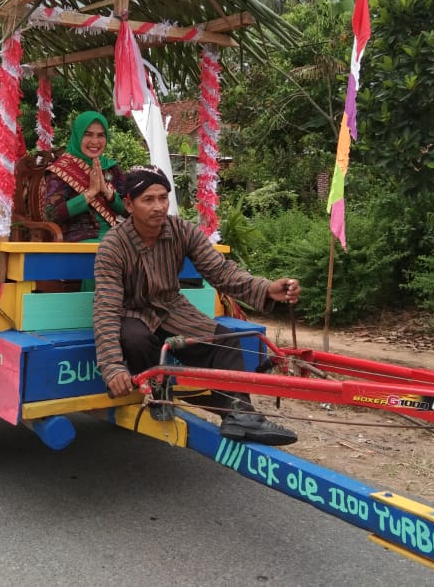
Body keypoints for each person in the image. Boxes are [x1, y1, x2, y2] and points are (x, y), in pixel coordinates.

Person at [92, 165, 300, 446]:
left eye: (163, 197)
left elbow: (221, 271)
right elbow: (106, 308)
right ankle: (157, 394)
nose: (158, 206)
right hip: (132, 312)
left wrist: (267, 288)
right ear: (128, 204)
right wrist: (112, 366)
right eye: (148, 200)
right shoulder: (113, 246)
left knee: (225, 342)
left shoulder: (181, 230)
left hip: (172, 308)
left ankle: (240, 415)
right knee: (135, 338)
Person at [43, 111, 126, 242]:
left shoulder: (111, 167)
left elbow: (129, 209)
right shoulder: (61, 169)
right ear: (77, 136)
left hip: (114, 237)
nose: (95, 141)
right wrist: (90, 193)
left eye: (100, 135)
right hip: (79, 239)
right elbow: (51, 214)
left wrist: (107, 193)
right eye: (88, 134)